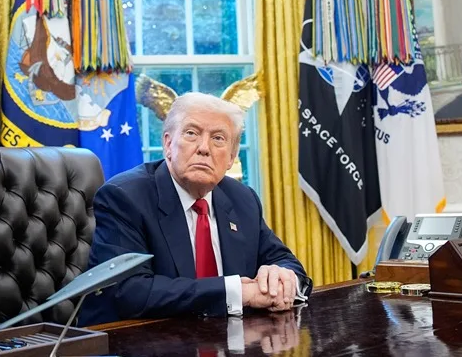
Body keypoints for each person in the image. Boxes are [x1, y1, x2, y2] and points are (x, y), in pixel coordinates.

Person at [79, 92, 311, 326]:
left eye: (218, 138)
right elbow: (128, 292)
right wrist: (236, 292)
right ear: (168, 144)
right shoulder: (125, 197)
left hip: (226, 337)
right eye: (191, 133)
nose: (204, 148)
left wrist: (282, 278)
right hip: (132, 341)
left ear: (231, 158)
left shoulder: (242, 199)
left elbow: (285, 261)